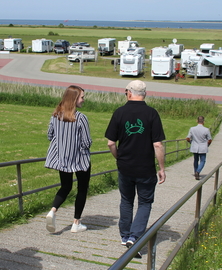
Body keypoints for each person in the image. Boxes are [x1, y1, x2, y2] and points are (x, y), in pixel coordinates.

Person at [105, 80, 166, 256]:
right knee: (145, 202)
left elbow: (110, 143)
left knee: (126, 200)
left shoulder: (119, 113)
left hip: (125, 167)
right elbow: (158, 145)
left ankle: (125, 236)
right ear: (145, 94)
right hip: (145, 168)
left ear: (128, 93)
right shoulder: (152, 114)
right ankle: (135, 236)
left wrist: (119, 157)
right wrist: (161, 168)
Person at [45, 85, 92, 233]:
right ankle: (76, 223)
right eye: (82, 97)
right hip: (80, 160)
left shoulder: (56, 115)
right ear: (74, 99)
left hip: (62, 159)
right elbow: (86, 142)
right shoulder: (81, 118)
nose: (83, 100)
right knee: (82, 189)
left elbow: (49, 135)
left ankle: (52, 210)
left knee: (65, 187)